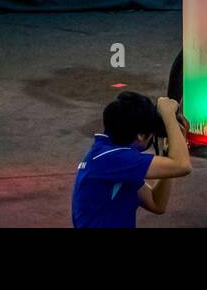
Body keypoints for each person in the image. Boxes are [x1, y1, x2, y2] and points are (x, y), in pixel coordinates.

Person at [72, 92, 192, 228]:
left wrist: (167, 152)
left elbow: (157, 203)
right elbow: (183, 165)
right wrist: (168, 115)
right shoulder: (115, 159)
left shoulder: (107, 155)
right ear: (140, 135)